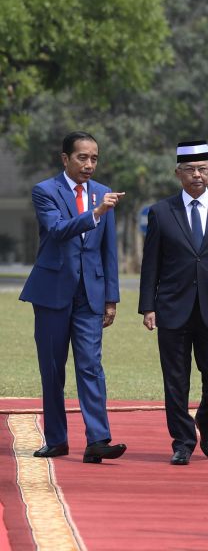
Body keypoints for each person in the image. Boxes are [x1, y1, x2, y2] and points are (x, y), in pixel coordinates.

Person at [139, 139, 208, 465]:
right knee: (175, 378)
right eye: (190, 170)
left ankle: (206, 420)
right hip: (172, 309)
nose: (197, 175)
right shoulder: (161, 212)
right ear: (178, 173)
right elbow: (151, 263)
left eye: (202, 169)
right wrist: (148, 306)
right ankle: (183, 441)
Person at [21, 131, 127, 463]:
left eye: (94, 158)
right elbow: (57, 229)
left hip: (90, 297)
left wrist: (111, 297)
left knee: (91, 366)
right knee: (53, 369)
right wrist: (95, 213)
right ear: (65, 158)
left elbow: (109, 250)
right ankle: (56, 440)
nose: (89, 164)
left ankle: (98, 439)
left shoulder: (103, 193)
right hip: (52, 294)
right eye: (82, 157)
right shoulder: (45, 191)